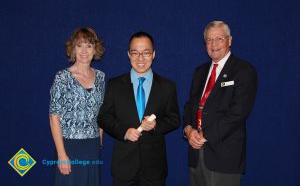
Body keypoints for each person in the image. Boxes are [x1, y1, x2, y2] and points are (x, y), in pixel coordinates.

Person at [98, 31, 180, 186]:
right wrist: (124, 131)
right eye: (135, 53)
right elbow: (103, 117)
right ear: (128, 55)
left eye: (146, 53)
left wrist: (156, 126)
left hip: (154, 168)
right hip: (123, 167)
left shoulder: (167, 87)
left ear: (154, 54)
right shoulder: (114, 85)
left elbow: (174, 119)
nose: (140, 58)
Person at [183, 21, 258, 186]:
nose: (213, 44)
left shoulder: (244, 70)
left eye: (219, 39)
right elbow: (190, 106)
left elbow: (238, 113)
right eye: (209, 40)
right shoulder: (200, 71)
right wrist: (188, 129)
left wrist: (205, 135)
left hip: (224, 157)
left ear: (229, 40)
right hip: (196, 155)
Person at [49, 28, 105, 186]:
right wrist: (61, 154)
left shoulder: (101, 77)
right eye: (79, 45)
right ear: (73, 48)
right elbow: (54, 117)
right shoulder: (62, 77)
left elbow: (102, 109)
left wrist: (100, 136)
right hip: (69, 146)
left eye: (89, 45)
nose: (84, 51)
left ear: (95, 49)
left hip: (92, 146)